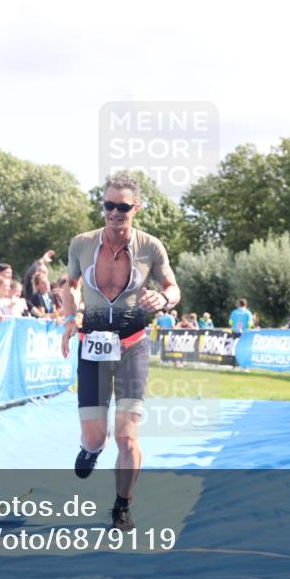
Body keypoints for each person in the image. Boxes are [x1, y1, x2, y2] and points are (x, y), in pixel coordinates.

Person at [59, 172, 180, 532]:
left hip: (132, 346)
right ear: (103, 206)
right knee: (96, 436)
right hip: (93, 347)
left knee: (127, 436)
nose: (115, 212)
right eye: (109, 205)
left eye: (123, 207)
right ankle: (92, 450)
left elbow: (173, 287)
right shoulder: (82, 244)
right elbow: (70, 286)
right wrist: (69, 317)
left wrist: (164, 299)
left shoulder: (150, 247)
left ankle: (122, 506)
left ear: (135, 209)